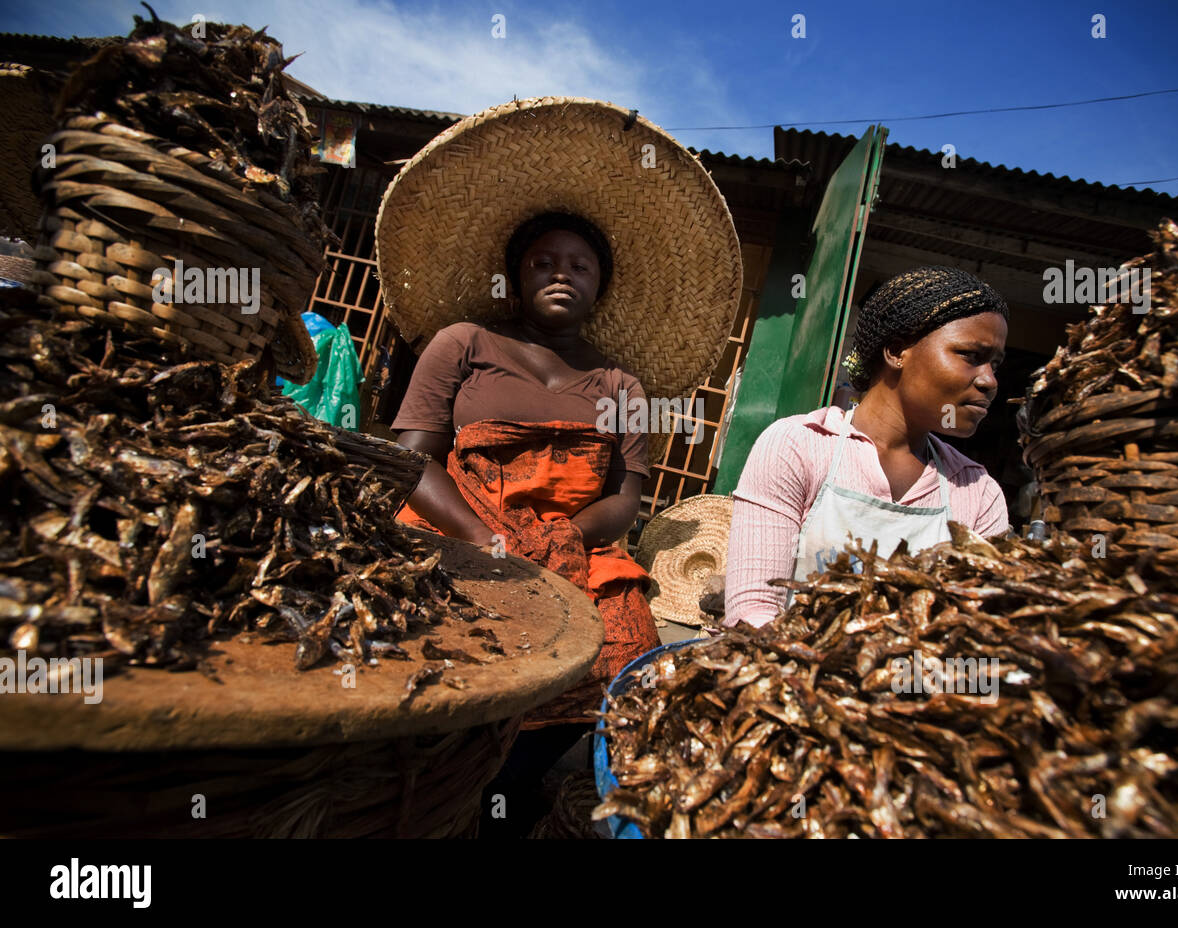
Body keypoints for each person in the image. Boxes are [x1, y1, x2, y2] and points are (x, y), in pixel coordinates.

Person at [373, 97, 744, 835]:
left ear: (600, 284)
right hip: (455, 529)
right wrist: (487, 543)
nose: (561, 273)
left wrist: (565, 541)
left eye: (579, 264)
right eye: (543, 261)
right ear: (514, 275)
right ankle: (422, 796)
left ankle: (510, 793)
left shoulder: (621, 384)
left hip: (575, 545)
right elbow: (410, 457)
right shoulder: (462, 342)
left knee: (625, 658)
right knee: (431, 666)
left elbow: (628, 495)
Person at [724, 266, 1011, 628]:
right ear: (896, 351)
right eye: (971, 355)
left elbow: (977, 629)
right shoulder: (799, 447)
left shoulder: (978, 493)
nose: (989, 381)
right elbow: (753, 610)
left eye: (995, 364)